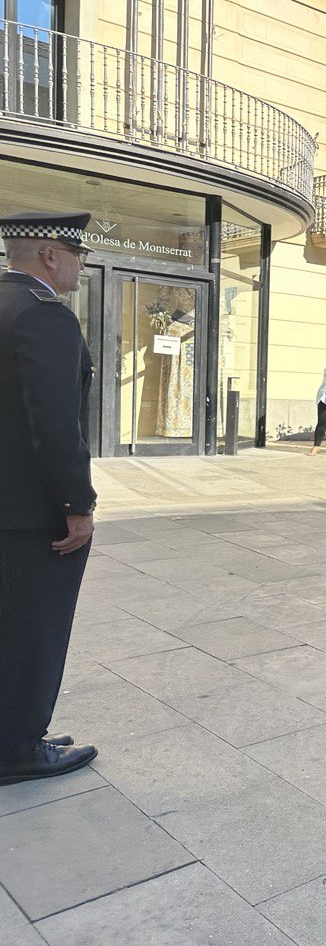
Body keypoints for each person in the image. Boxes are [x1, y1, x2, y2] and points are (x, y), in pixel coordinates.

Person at [0, 211, 99, 784]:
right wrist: (76, 504)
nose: (82, 263)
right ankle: (18, 745)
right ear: (49, 255)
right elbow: (56, 427)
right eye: (77, 253)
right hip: (33, 511)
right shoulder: (45, 319)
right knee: (35, 627)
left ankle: (9, 728)